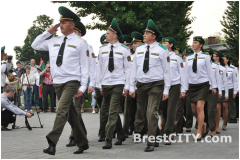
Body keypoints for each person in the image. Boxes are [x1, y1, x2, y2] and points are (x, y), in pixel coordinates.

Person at [31, 6, 89, 155]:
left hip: (71, 81)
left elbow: (85, 66)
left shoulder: (80, 43)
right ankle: (82, 142)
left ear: (72, 24)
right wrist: (48, 32)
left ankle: (52, 143)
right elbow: (35, 45)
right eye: (60, 22)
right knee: (71, 115)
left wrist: (83, 87)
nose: (60, 25)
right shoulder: (53, 41)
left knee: (61, 110)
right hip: (57, 82)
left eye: (63, 22)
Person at [129, 19, 170, 152]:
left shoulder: (162, 50)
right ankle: (157, 136)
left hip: (156, 85)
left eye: (147, 33)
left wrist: (167, 89)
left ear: (153, 36)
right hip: (141, 85)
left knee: (152, 113)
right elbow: (134, 69)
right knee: (143, 113)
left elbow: (166, 70)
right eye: (144, 32)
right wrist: (131, 87)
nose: (144, 35)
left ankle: (150, 142)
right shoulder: (139, 49)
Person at [96, 18, 131, 149]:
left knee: (113, 111)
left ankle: (108, 138)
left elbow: (128, 69)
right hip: (105, 84)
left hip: (118, 83)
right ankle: (121, 135)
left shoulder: (124, 49)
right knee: (105, 111)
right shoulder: (102, 49)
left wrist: (127, 86)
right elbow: (99, 68)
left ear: (115, 35)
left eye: (108, 33)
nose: (106, 35)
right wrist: (99, 84)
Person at [184, 37, 217, 141]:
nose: (193, 44)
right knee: (194, 109)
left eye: (195, 42)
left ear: (201, 45)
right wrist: (185, 88)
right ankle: (203, 124)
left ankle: (199, 131)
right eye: (193, 42)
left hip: (203, 84)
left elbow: (210, 72)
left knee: (199, 108)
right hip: (192, 85)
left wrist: (213, 86)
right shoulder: (188, 58)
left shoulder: (205, 56)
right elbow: (186, 74)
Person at [65, 19, 89, 147]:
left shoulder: (85, 46)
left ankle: (74, 136)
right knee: (68, 111)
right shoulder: (65, 45)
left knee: (76, 110)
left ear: (79, 34)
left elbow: (89, 66)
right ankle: (81, 132)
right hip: (67, 82)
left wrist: (88, 84)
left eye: (74, 32)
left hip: (79, 82)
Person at [159, 37, 185, 145]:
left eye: (165, 43)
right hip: (162, 85)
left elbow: (182, 74)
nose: (162, 44)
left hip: (174, 85)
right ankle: (167, 129)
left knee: (171, 110)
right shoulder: (159, 55)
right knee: (163, 110)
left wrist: (183, 89)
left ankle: (168, 134)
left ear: (171, 45)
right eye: (162, 42)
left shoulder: (177, 58)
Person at [123, 32, 144, 137]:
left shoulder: (144, 56)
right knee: (130, 110)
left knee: (140, 109)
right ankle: (130, 127)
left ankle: (140, 129)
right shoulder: (130, 57)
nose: (134, 45)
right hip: (131, 86)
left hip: (141, 86)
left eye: (136, 43)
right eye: (133, 43)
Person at [204, 49, 222, 137]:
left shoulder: (215, 66)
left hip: (212, 90)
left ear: (211, 56)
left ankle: (212, 128)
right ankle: (205, 126)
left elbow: (218, 79)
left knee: (211, 109)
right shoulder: (201, 64)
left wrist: (220, 91)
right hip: (202, 89)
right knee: (202, 109)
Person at [175, 48, 193, 133]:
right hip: (181, 87)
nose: (185, 56)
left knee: (188, 108)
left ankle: (188, 125)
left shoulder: (192, 64)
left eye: (188, 55)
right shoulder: (180, 63)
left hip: (190, 87)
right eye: (185, 55)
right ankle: (178, 126)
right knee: (179, 108)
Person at [95, 34, 108, 142]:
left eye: (107, 43)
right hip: (98, 87)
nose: (105, 45)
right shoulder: (97, 57)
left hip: (108, 85)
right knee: (103, 110)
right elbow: (95, 73)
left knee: (106, 110)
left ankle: (103, 132)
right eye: (103, 44)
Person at [213, 51, 228, 135]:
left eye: (215, 56)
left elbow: (225, 82)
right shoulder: (210, 66)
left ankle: (217, 126)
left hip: (220, 89)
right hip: (211, 88)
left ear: (218, 57)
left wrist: (226, 94)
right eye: (213, 56)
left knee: (218, 108)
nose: (214, 57)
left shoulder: (223, 68)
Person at [221, 54, 238, 130]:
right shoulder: (219, 67)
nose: (224, 59)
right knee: (219, 106)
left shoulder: (232, 68)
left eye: (225, 58)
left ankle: (229, 119)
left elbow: (235, 81)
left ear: (228, 60)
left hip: (230, 88)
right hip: (220, 88)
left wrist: (235, 91)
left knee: (227, 105)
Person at [228, 56, 239, 123]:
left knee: (232, 102)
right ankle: (228, 116)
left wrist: (236, 89)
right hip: (224, 87)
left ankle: (232, 117)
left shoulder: (233, 68)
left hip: (231, 87)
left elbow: (236, 80)